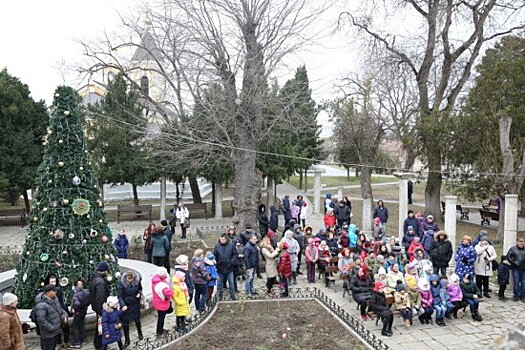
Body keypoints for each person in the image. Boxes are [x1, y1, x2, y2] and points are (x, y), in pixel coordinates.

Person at [34, 284, 68, 350]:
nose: (56, 292)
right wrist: (52, 328)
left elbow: (60, 309)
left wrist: (65, 315)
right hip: (48, 335)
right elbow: (41, 320)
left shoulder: (55, 298)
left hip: (56, 332)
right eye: (54, 291)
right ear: (48, 293)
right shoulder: (41, 305)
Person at [118, 271, 143, 347]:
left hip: (135, 304)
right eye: (129, 279)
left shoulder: (137, 282)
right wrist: (122, 305)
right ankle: (127, 340)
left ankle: (140, 333)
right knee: (125, 324)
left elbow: (140, 289)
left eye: (131, 279)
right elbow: (120, 296)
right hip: (126, 306)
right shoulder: (122, 284)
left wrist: (139, 293)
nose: (130, 280)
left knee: (137, 320)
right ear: (126, 278)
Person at [90, 262, 111, 350]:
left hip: (95, 307)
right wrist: (102, 310)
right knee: (101, 327)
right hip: (100, 308)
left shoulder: (94, 278)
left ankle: (97, 343)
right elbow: (100, 297)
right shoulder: (100, 282)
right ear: (104, 271)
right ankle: (99, 345)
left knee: (99, 326)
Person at [213, 233, 237, 300]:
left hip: (229, 267)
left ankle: (232, 294)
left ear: (226, 239)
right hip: (220, 268)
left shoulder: (231, 245)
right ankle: (219, 295)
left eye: (223, 239)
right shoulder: (217, 246)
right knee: (219, 283)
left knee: (231, 283)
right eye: (220, 239)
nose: (221, 241)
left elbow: (235, 254)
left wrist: (232, 261)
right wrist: (216, 262)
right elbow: (214, 255)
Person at [151, 267, 173, 336]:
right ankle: (159, 332)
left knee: (161, 317)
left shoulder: (156, 280)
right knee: (161, 318)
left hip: (157, 302)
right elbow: (168, 294)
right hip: (161, 303)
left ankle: (160, 330)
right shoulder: (161, 285)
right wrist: (172, 291)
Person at [70, 279, 90, 348]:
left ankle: (77, 342)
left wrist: (74, 309)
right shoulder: (86, 292)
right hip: (84, 311)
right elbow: (88, 302)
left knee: (75, 326)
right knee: (81, 324)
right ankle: (83, 339)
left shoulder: (76, 294)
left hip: (78, 312)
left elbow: (76, 304)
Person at [506, 237, 525, 302]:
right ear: (517, 242)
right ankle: (516, 295)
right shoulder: (513, 249)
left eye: (522, 242)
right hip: (516, 268)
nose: (521, 243)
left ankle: (523, 296)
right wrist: (513, 263)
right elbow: (508, 256)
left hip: (524, 269)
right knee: (516, 282)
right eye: (520, 242)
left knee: (523, 283)